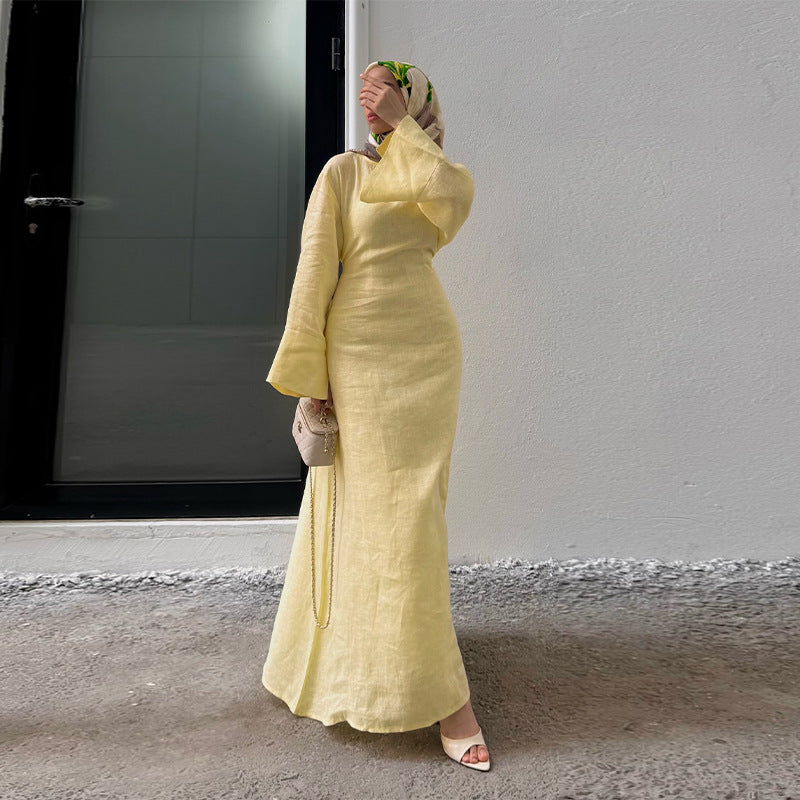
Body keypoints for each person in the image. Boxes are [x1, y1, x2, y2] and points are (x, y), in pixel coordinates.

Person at [261, 59, 490, 771]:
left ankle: (445, 696)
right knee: (358, 511)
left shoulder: (432, 172)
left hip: (426, 352)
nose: (372, 101)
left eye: (387, 90)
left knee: (414, 515)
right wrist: (312, 375)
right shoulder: (342, 173)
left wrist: (402, 131)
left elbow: (453, 203)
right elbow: (313, 273)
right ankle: (348, 668)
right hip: (356, 353)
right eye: (365, 91)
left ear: (415, 102)